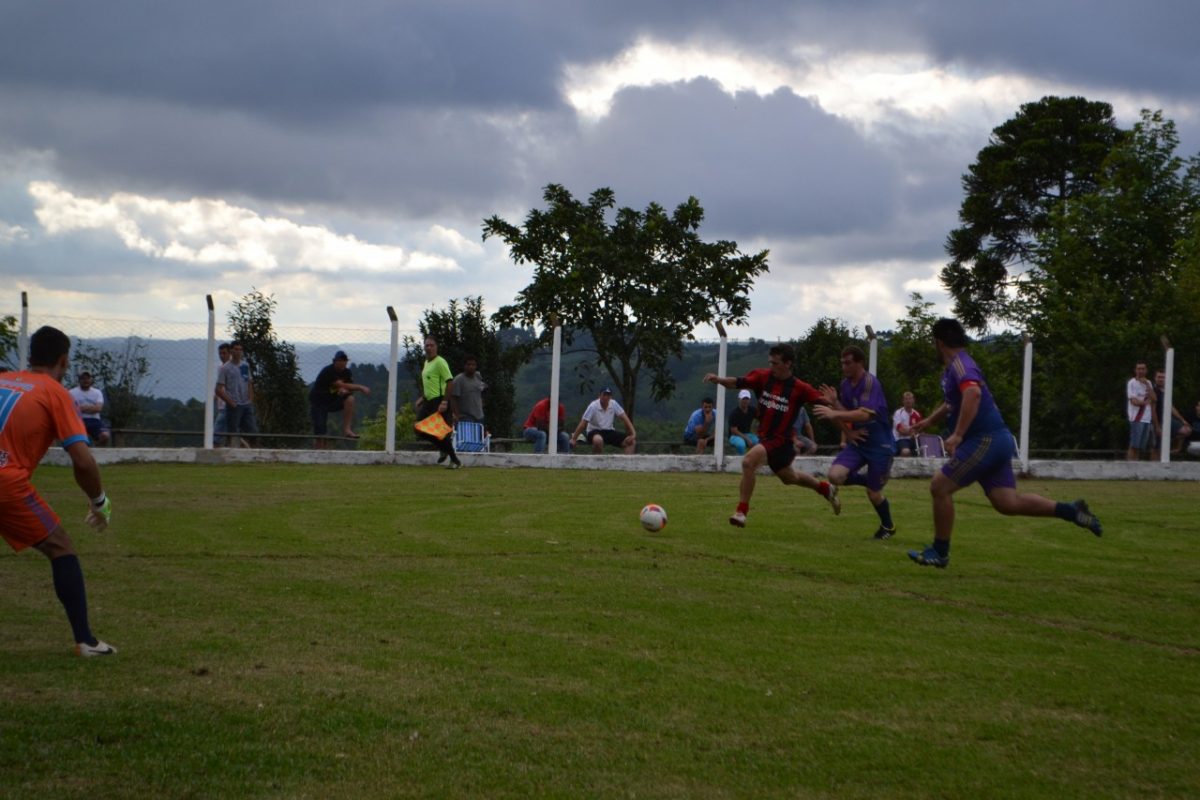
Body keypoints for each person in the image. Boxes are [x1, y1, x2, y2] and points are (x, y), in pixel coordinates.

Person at [906, 318, 1102, 568]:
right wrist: (928, 421)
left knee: (939, 487)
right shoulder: (959, 366)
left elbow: (973, 394)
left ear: (938, 342)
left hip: (985, 439)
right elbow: (953, 402)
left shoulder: (960, 365)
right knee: (1006, 503)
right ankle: (1071, 511)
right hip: (998, 440)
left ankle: (940, 552)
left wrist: (957, 435)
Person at [0, 326, 116, 656]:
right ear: (63, 361)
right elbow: (82, 461)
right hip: (6, 483)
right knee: (60, 547)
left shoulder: (5, 378)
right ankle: (86, 641)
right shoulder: (54, 392)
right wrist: (99, 501)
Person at [703, 343, 839, 527]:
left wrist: (833, 402)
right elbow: (737, 382)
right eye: (770, 362)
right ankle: (826, 489)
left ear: (788, 364)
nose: (771, 367)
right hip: (766, 439)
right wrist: (718, 379)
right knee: (790, 478)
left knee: (748, 462)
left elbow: (823, 401)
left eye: (775, 363)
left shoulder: (799, 388)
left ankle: (741, 512)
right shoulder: (762, 377)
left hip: (782, 441)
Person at [813, 346, 897, 539]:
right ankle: (872, 482)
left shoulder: (870, 383)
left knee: (874, 495)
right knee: (835, 476)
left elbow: (864, 413)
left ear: (860, 363)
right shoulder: (845, 384)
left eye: (848, 363)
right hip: (860, 441)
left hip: (880, 445)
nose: (844, 367)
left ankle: (888, 527)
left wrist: (834, 411)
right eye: (842, 363)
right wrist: (847, 429)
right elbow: (847, 412)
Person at [309, 350, 371, 447]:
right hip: (319, 402)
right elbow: (341, 384)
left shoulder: (347, 373)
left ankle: (347, 430)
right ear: (335, 361)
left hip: (332, 401)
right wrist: (361, 387)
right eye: (340, 360)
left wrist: (344, 391)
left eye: (345, 360)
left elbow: (348, 388)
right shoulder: (328, 371)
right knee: (320, 431)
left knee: (350, 399)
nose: (343, 362)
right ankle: (318, 450)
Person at [417, 336, 461, 468]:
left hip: (438, 401)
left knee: (438, 432)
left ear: (436, 347)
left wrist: (444, 402)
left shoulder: (440, 362)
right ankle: (444, 449)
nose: (429, 348)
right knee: (419, 429)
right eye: (427, 345)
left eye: (432, 345)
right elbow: (430, 382)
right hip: (428, 401)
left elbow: (449, 381)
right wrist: (423, 397)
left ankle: (454, 460)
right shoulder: (426, 362)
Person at [215, 340, 257, 447]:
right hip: (234, 405)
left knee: (252, 431)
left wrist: (250, 399)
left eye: (240, 349)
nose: (238, 352)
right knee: (232, 432)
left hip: (246, 404)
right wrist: (231, 402)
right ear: (231, 351)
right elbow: (218, 389)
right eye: (236, 349)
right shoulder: (225, 368)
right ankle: (231, 453)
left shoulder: (244, 366)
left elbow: (248, 382)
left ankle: (254, 454)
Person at [570, 388, 637, 454]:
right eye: (604, 395)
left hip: (609, 431)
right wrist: (574, 439)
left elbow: (625, 418)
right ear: (599, 396)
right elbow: (583, 423)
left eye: (608, 395)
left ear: (611, 397)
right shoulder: (593, 406)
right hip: (594, 431)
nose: (606, 397)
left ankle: (626, 464)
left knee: (631, 442)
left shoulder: (613, 403)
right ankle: (597, 463)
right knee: (598, 440)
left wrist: (633, 434)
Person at [1152, 369, 1193, 456]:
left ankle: (1175, 448)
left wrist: (1182, 420)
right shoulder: (1153, 391)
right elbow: (1152, 410)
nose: (1161, 379)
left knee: (1187, 430)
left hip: (1168, 420)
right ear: (1155, 378)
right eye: (1159, 377)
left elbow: (1171, 408)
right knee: (1157, 448)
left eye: (1163, 377)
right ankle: (1154, 465)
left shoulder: (1166, 391)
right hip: (1157, 421)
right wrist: (1157, 426)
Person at [68, 371, 110, 446]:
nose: (85, 380)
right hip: (78, 420)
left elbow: (98, 408)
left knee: (105, 436)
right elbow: (70, 409)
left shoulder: (97, 392)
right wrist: (91, 408)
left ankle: (96, 450)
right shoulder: (71, 392)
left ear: (91, 380)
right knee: (81, 441)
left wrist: (81, 408)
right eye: (83, 378)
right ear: (79, 380)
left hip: (94, 420)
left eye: (88, 378)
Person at [1126, 362, 1156, 461]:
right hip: (1137, 417)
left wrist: (1147, 385)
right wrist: (1145, 402)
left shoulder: (1149, 383)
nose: (1141, 371)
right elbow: (1133, 401)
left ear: (1146, 370)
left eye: (1143, 369)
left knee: (1140, 446)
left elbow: (1154, 398)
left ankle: (1136, 464)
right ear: (1135, 370)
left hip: (1147, 418)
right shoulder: (1132, 383)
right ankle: (1129, 465)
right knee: (1134, 444)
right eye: (1139, 369)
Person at [449, 355, 487, 425]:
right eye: (468, 364)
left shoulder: (478, 376)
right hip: (465, 416)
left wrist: (482, 401)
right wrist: (456, 415)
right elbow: (453, 398)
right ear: (464, 366)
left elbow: (482, 389)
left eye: (473, 365)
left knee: (478, 435)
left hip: (479, 415)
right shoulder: (458, 380)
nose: (471, 367)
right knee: (468, 436)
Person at [728, 389, 759, 456]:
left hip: (747, 434)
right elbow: (734, 431)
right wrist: (747, 439)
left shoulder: (752, 410)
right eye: (743, 399)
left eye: (747, 399)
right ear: (739, 399)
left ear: (749, 400)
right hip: (735, 436)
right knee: (741, 445)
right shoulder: (734, 414)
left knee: (759, 442)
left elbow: (761, 418)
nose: (745, 401)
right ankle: (741, 461)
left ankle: (753, 460)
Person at [892, 391, 922, 456]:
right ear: (903, 401)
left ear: (913, 400)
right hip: (900, 439)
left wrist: (908, 430)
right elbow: (901, 430)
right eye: (906, 399)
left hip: (913, 439)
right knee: (906, 452)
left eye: (910, 399)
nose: (908, 401)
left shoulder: (917, 414)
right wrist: (912, 431)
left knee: (925, 448)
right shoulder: (898, 413)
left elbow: (919, 430)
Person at [213, 343, 231, 442]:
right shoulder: (220, 368)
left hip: (227, 404)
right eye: (220, 353)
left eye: (224, 353)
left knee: (217, 433)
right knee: (232, 432)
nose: (222, 356)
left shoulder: (232, 368)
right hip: (221, 404)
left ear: (229, 354)